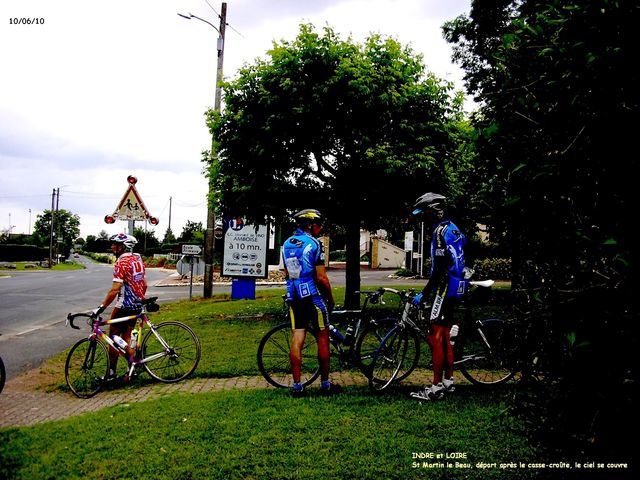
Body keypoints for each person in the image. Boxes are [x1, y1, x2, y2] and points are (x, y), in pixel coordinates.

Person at [409, 193, 468, 401]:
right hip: (457, 285)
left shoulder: (440, 232)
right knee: (444, 338)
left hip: (445, 286)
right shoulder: (453, 228)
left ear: (435, 211)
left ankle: (436, 387)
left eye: (425, 214)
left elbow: (439, 270)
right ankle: (448, 381)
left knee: (434, 337)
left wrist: (425, 294)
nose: (423, 220)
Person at [282, 209, 339, 396]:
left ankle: (297, 386)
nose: (320, 228)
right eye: (319, 225)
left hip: (293, 296)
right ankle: (325, 384)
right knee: (323, 337)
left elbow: (286, 273)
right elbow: (322, 278)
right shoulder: (314, 243)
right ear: (311, 225)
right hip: (312, 297)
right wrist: (330, 299)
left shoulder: (286, 244)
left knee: (297, 338)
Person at [93, 233, 147, 380]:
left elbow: (116, 288)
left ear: (123, 246)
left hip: (124, 304)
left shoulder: (121, 263)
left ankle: (111, 373)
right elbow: (145, 284)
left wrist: (101, 307)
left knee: (113, 338)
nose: (112, 246)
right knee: (126, 336)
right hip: (136, 303)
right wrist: (139, 299)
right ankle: (132, 369)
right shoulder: (137, 259)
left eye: (115, 244)